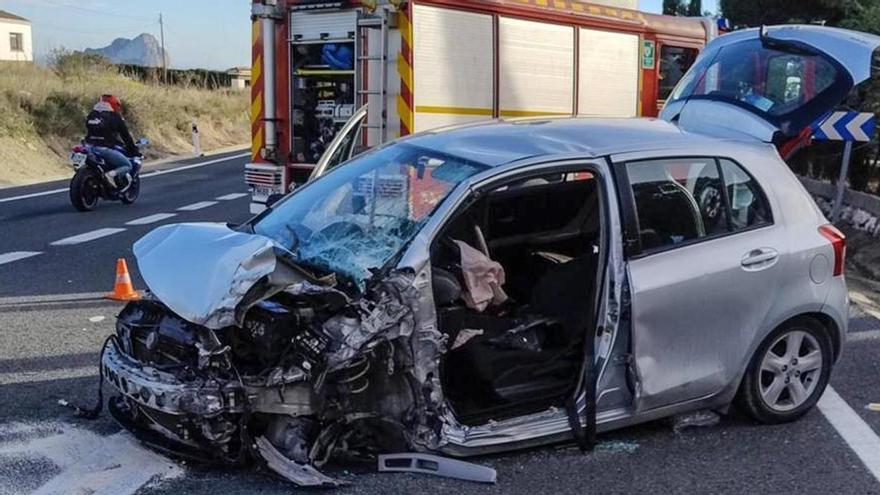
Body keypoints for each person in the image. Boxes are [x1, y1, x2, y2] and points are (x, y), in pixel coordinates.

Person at [84, 94, 139, 190]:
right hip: (104, 149)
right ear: (114, 105)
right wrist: (133, 150)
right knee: (127, 165)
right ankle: (111, 175)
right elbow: (125, 136)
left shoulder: (92, 114)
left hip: (88, 146)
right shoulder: (115, 117)